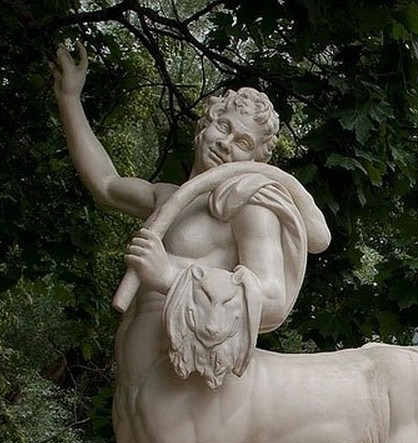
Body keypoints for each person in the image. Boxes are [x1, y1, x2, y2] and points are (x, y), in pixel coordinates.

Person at [52, 43, 323, 334]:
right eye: (223, 127)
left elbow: (272, 299)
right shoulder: (168, 198)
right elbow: (105, 185)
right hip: (140, 362)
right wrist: (69, 98)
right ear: (203, 127)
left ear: (255, 160)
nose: (225, 144)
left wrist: (169, 275)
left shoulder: (248, 206)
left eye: (243, 143)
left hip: (187, 366)